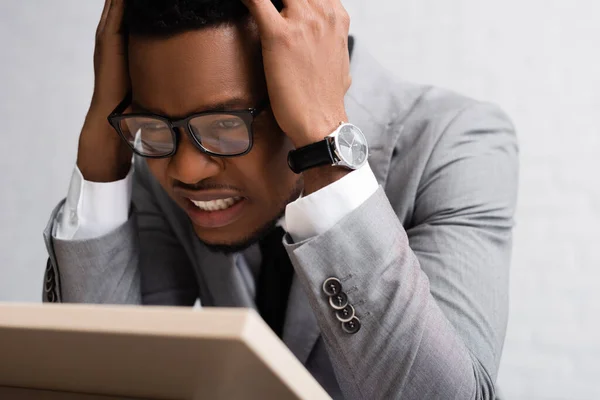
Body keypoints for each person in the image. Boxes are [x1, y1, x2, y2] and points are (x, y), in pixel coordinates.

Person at [41, 0, 519, 398]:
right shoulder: (161, 151)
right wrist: (100, 159)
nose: (186, 170)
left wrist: (326, 148)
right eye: (150, 123)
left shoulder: (456, 143)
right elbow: (106, 383)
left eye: (227, 125)